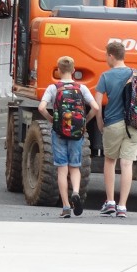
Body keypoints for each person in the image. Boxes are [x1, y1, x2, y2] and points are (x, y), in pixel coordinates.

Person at [38, 56, 98, 218]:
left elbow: (42, 108)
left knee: (62, 169)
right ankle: (76, 193)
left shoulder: (53, 88)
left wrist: (52, 120)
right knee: (75, 167)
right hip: (77, 132)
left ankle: (65, 207)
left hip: (59, 132)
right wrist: (85, 122)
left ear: (58, 71)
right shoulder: (81, 88)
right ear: (73, 70)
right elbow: (95, 107)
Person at [94, 39, 137, 219]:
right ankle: (123, 206)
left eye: (107, 55)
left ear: (111, 56)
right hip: (134, 124)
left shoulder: (105, 76)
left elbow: (97, 104)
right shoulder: (136, 74)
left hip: (113, 124)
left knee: (110, 161)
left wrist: (99, 122)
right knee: (127, 164)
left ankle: (110, 202)